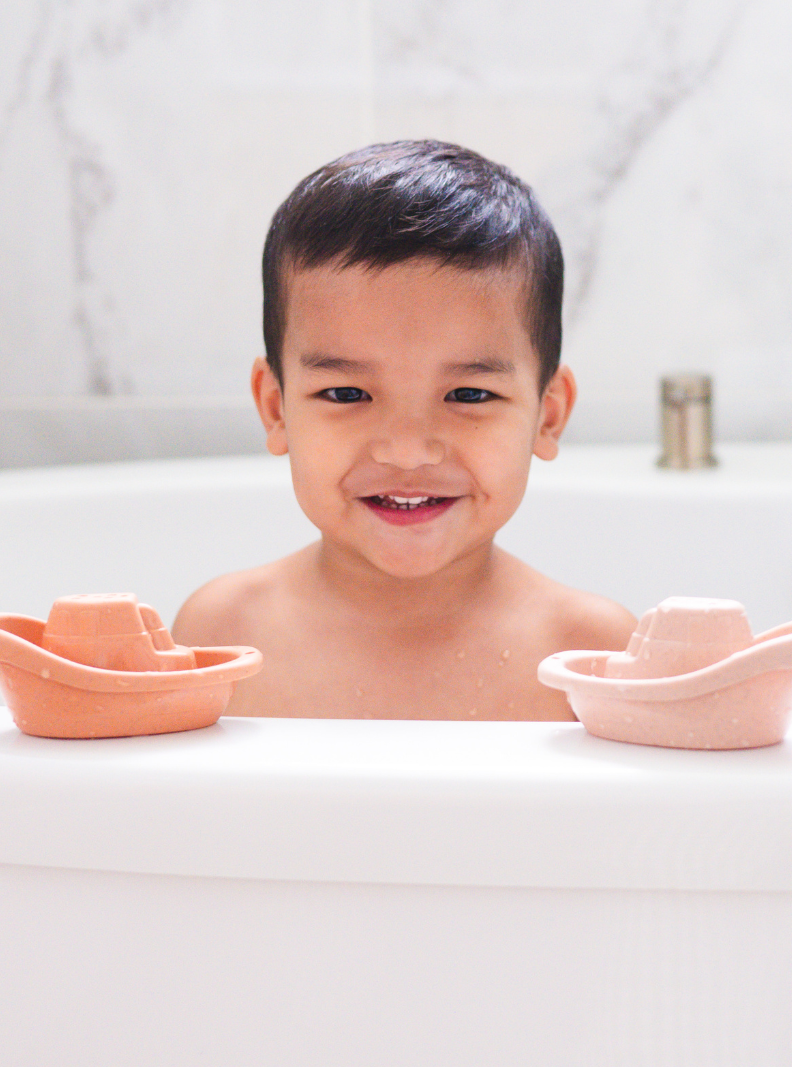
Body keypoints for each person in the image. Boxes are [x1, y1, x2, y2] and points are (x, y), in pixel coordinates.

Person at [172, 140, 636, 719]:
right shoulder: (224, 630)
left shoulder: (590, 651)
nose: (407, 449)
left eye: (469, 394)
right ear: (276, 408)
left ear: (548, 415)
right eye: (346, 394)